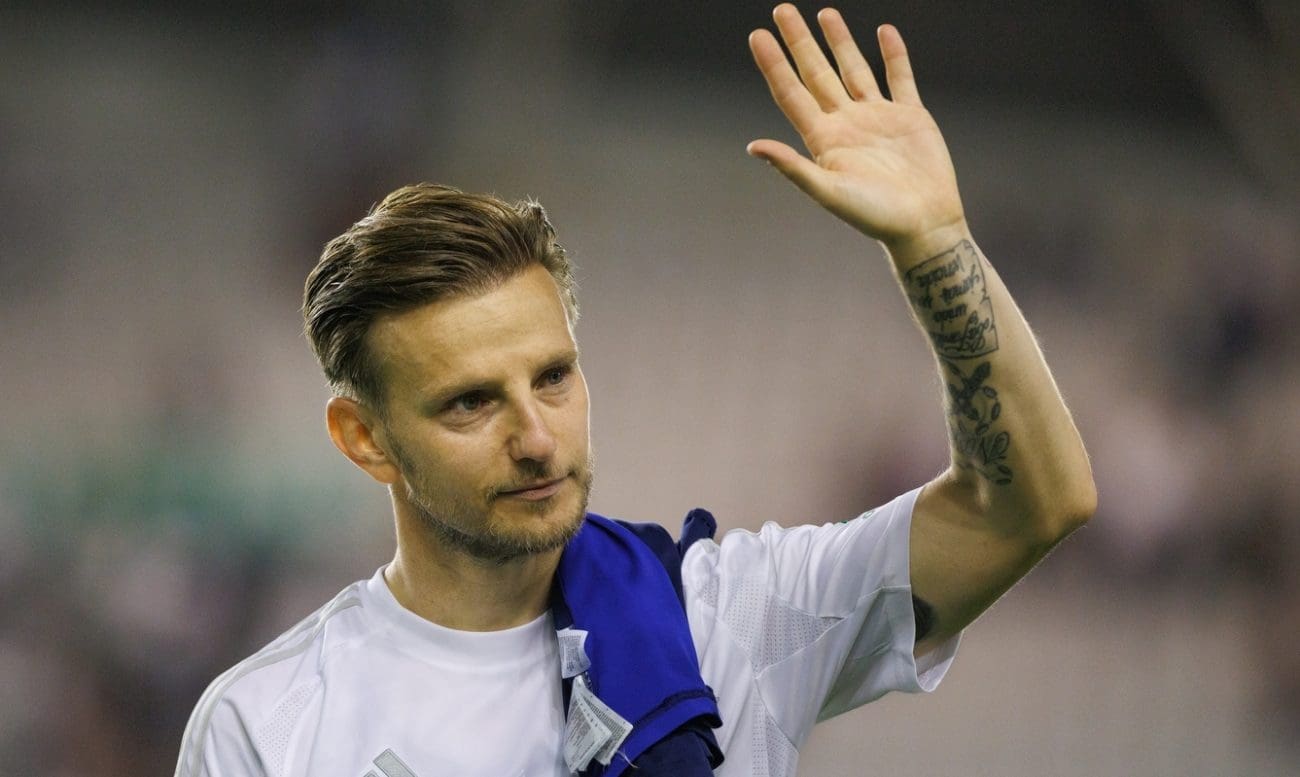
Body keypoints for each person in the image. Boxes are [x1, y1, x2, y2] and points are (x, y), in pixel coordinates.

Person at [174, 4, 1095, 776]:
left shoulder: (728, 623)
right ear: (363, 437)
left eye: (553, 377)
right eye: (470, 402)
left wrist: (934, 243)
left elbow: (1029, 507)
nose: (537, 437)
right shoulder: (265, 724)